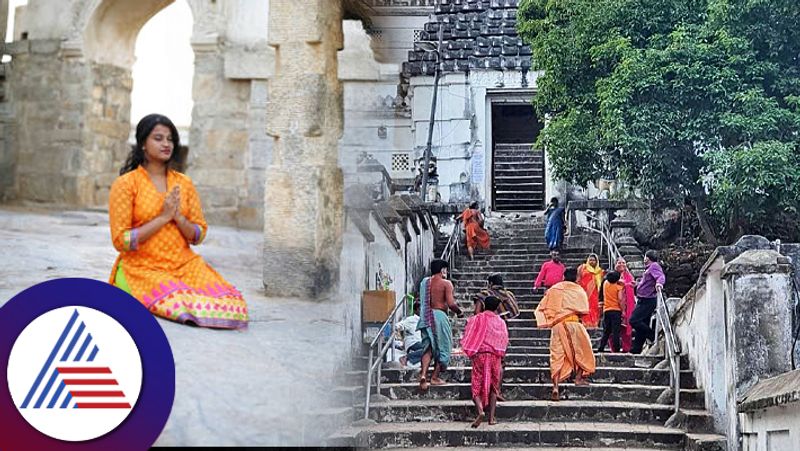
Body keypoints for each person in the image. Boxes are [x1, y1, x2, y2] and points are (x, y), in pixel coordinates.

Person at [108, 114, 248, 329]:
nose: (166, 144)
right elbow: (121, 240)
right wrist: (163, 218)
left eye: (170, 139)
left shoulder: (184, 183)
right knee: (180, 303)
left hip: (184, 264)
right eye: (158, 138)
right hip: (143, 266)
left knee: (232, 304)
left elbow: (199, 234)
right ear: (143, 143)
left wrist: (178, 218)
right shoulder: (126, 184)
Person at [534, 268, 596, 401]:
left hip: (557, 326)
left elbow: (543, 307)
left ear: (563, 276)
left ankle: (555, 386)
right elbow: (583, 310)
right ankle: (578, 378)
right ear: (577, 278)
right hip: (574, 323)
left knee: (556, 355)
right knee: (585, 351)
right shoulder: (579, 290)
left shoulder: (554, 289)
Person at [461, 295, 509, 428]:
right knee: (494, 387)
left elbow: (469, 334)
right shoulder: (500, 322)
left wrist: (471, 351)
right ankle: (491, 418)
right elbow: (504, 339)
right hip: (495, 357)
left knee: (476, 385)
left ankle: (481, 411)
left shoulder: (476, 319)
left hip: (480, 356)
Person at [417, 259, 463, 392]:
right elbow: (451, 303)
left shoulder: (424, 283)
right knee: (443, 347)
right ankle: (435, 377)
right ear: (442, 270)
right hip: (439, 317)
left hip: (426, 317)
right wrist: (459, 312)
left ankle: (423, 374)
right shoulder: (446, 283)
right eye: (446, 270)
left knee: (428, 348)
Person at [629, 250, 666, 354]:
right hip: (644, 298)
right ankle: (636, 349)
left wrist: (659, 284)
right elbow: (646, 283)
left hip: (648, 300)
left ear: (648, 258)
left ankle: (652, 335)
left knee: (634, 320)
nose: (644, 259)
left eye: (645, 257)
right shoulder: (648, 269)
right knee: (642, 324)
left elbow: (660, 276)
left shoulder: (654, 266)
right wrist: (637, 285)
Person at [595, 271, 625, 353]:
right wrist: (623, 310)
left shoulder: (605, 284)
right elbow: (620, 299)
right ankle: (617, 349)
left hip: (606, 310)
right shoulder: (618, 287)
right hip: (616, 310)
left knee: (606, 331)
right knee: (616, 331)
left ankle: (601, 347)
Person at [615, 257, 636, 352]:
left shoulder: (629, 276)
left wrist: (627, 285)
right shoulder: (612, 276)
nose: (622, 264)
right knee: (613, 328)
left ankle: (626, 348)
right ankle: (614, 348)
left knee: (627, 327)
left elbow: (633, 288)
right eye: (619, 263)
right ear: (615, 264)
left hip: (628, 304)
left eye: (623, 263)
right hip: (615, 304)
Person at [577, 253, 604, 328]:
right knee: (586, 307)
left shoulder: (600, 271)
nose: (592, 262)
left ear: (597, 261)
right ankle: (585, 324)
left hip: (595, 294)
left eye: (594, 260)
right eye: (590, 260)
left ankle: (594, 324)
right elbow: (578, 279)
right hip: (585, 292)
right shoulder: (582, 268)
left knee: (595, 308)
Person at [396, 301, 423, 367]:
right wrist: (396, 331)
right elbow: (399, 325)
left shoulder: (423, 321)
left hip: (419, 343)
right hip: (413, 342)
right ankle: (406, 357)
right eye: (420, 309)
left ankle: (410, 359)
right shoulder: (411, 319)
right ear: (416, 310)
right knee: (429, 349)